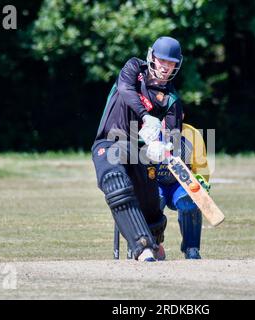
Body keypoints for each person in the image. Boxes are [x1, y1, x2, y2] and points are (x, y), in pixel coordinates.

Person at [91, 36, 184, 261]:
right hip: (110, 142)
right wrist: (146, 116)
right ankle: (141, 246)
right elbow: (124, 89)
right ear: (152, 57)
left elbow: (173, 136)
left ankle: (154, 242)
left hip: (140, 153)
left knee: (151, 204)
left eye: (171, 63)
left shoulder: (171, 99)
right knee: (116, 182)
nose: (165, 67)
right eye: (162, 60)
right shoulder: (134, 68)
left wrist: (161, 148)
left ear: (177, 65)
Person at [157, 121, 211, 259]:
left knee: (188, 200)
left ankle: (191, 247)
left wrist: (201, 182)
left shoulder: (191, 133)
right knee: (153, 201)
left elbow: (201, 165)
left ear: (182, 115)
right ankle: (153, 245)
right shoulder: (149, 132)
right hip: (156, 182)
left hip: (181, 183)